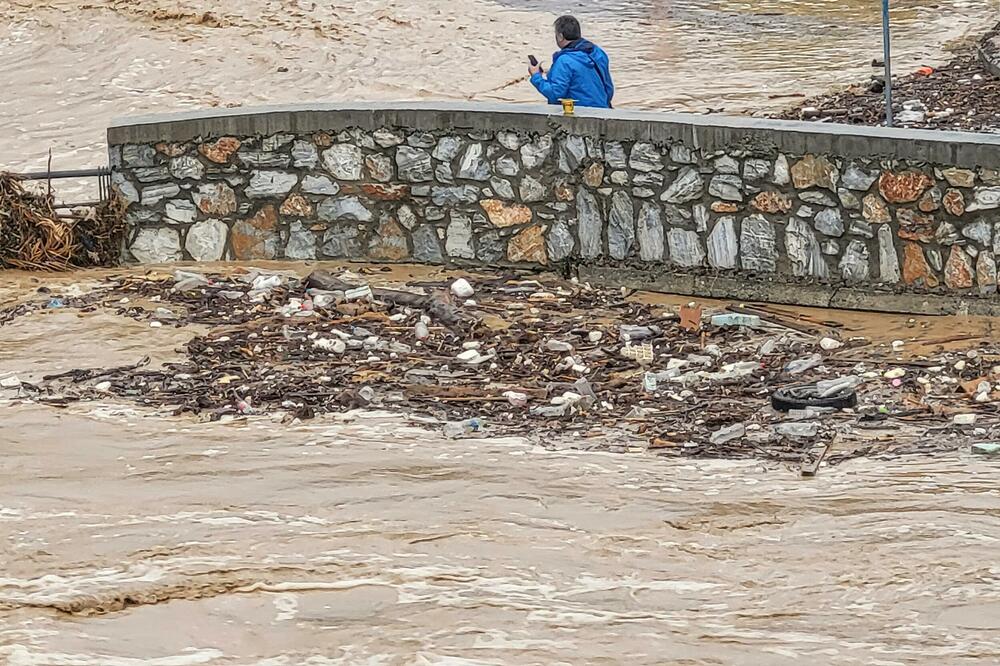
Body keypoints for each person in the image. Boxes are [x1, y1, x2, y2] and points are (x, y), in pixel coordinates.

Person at [529, 15, 614, 109]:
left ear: (560, 36)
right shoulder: (597, 52)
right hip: (603, 110)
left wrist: (536, 76)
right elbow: (608, 87)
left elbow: (555, 94)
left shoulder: (564, 61)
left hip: (579, 113)